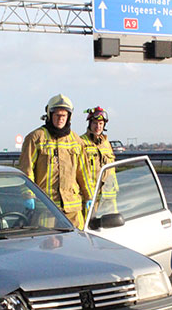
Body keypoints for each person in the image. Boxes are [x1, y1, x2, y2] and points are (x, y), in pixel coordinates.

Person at [19, 94, 91, 229]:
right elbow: (26, 169)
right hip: (47, 208)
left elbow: (83, 172)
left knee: (76, 245)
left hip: (73, 209)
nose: (60, 119)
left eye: (64, 116)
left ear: (69, 117)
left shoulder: (76, 140)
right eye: (57, 115)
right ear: (49, 115)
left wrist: (89, 196)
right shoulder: (36, 138)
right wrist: (28, 194)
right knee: (49, 245)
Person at [79, 106, 115, 214]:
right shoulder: (81, 142)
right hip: (89, 197)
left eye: (101, 123)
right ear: (89, 123)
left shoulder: (106, 144)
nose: (98, 126)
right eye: (95, 123)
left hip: (107, 198)